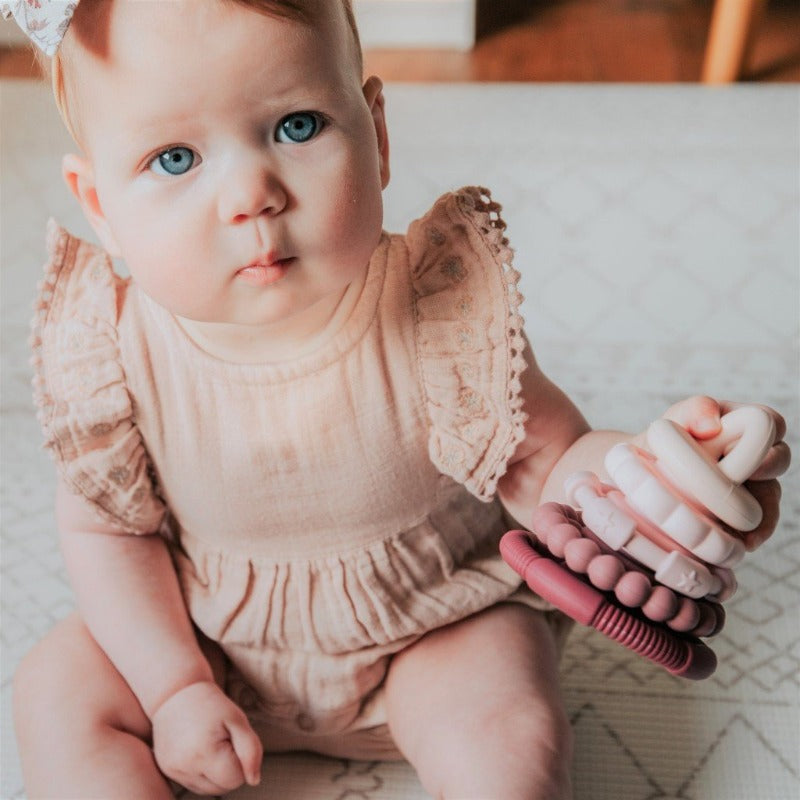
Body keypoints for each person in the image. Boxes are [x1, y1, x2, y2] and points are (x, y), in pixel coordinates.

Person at [8, 1, 789, 798]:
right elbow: (111, 534)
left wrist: (649, 475)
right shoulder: (107, 351)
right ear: (99, 204)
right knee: (54, 692)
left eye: (297, 126)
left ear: (376, 135)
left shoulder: (439, 310)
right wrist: (172, 687)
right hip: (201, 636)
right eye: (175, 159)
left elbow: (546, 458)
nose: (251, 193)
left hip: (431, 629)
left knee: (506, 729)